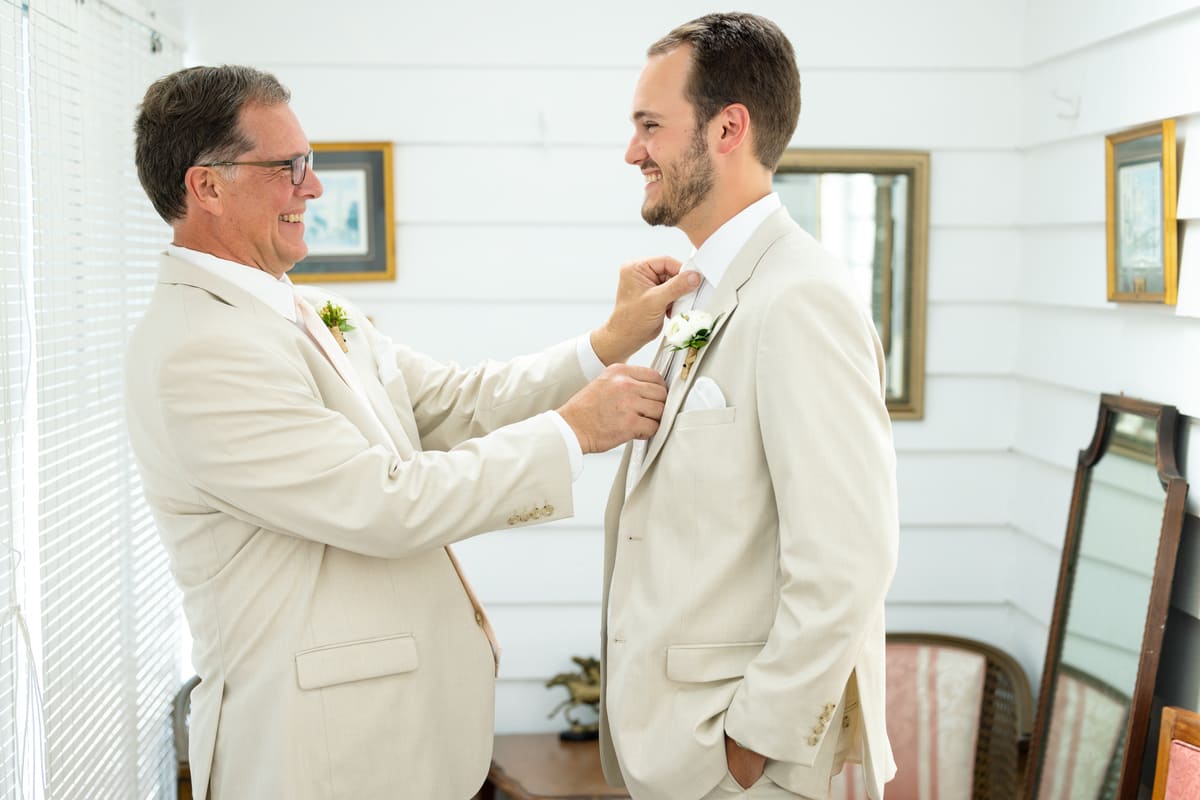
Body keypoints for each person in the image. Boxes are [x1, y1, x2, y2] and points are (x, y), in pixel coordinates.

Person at [126, 65, 697, 800]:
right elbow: (384, 505)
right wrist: (572, 434)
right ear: (207, 187)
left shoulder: (299, 309)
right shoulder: (197, 349)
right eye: (289, 168)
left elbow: (454, 403)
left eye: (311, 163)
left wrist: (606, 342)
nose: (314, 188)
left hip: (402, 745)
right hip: (324, 761)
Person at [599, 13, 900, 800]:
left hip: (740, 769)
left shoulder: (803, 298)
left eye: (651, 126)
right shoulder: (701, 294)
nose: (633, 152)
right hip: (674, 750)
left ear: (729, 128)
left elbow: (848, 556)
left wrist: (751, 742)